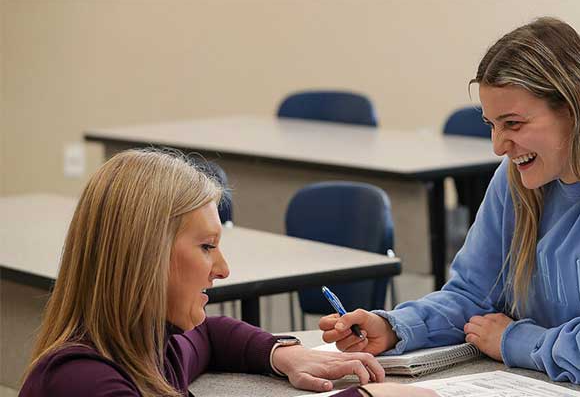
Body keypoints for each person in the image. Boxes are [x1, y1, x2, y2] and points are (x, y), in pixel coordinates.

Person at [320, 17, 580, 397]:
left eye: (513, 124)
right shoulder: (517, 179)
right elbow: (472, 296)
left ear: (577, 106)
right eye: (491, 125)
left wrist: (513, 340)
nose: (499, 146)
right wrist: (395, 327)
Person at [19, 149, 436, 397]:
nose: (222, 269)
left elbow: (209, 335)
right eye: (206, 247)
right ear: (144, 256)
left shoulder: (148, 348)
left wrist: (282, 354)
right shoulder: (82, 381)